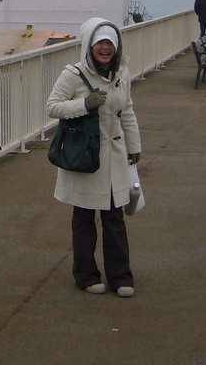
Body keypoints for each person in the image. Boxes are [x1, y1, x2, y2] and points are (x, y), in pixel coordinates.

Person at [46, 17, 142, 297]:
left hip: (113, 156)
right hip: (85, 157)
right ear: (89, 45)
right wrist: (84, 104)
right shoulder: (73, 75)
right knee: (84, 218)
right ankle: (86, 274)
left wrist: (134, 145)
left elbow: (129, 110)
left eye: (110, 43)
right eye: (99, 42)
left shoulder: (121, 72)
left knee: (114, 219)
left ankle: (121, 276)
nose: (105, 48)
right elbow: (53, 107)